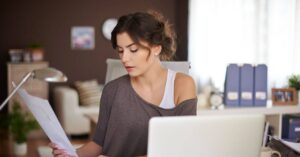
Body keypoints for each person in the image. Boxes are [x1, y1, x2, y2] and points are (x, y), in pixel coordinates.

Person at [49, 10, 197, 157]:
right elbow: (98, 144)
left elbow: (184, 146)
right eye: (120, 51)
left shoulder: (182, 85)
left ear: (156, 48)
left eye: (133, 49)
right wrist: (70, 154)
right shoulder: (112, 90)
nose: (124, 58)